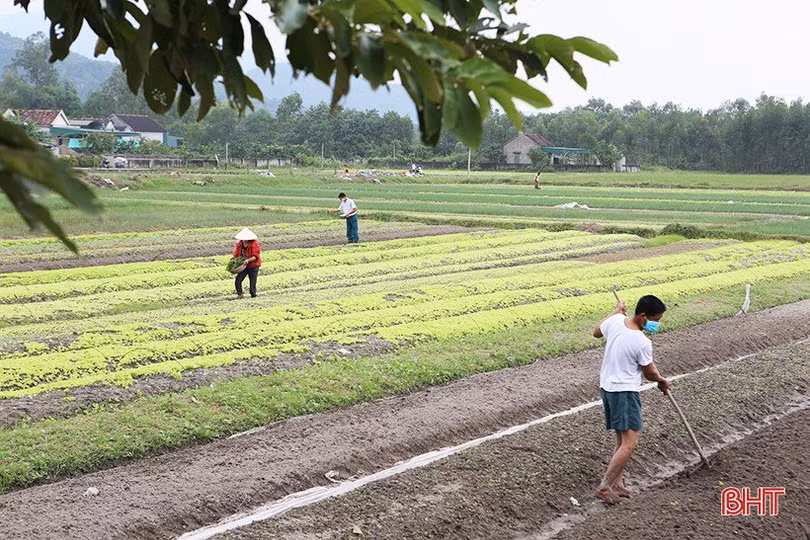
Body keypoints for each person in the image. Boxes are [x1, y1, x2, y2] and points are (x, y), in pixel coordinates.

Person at [592, 294, 670, 504]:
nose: (657, 324)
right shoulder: (641, 341)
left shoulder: (616, 321)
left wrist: (615, 312)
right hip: (624, 392)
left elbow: (596, 332)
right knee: (630, 443)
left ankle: (618, 484)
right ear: (643, 317)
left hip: (607, 388)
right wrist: (662, 381)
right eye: (656, 320)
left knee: (621, 439)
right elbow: (650, 373)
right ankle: (605, 486)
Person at [232, 227, 261, 298]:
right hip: (243, 266)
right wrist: (235, 264)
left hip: (253, 265)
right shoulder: (240, 244)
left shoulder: (254, 244)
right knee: (238, 280)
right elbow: (236, 255)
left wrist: (247, 261)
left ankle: (253, 294)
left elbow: (255, 257)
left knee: (252, 282)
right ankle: (240, 294)